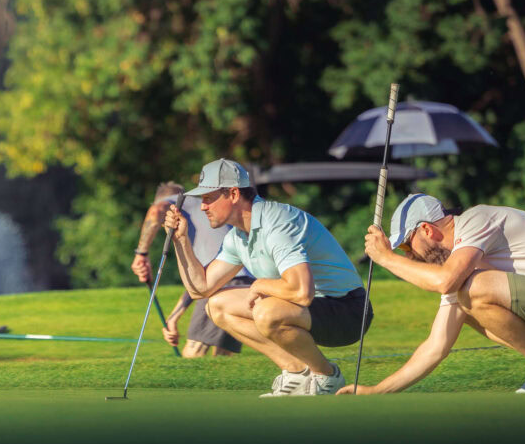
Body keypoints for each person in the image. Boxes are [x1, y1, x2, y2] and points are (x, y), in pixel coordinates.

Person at [341, 193, 525, 394]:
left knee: (468, 290)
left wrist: (387, 259)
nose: (410, 255)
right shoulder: (462, 268)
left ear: (427, 229)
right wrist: (377, 391)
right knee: (466, 299)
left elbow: (445, 281)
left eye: (406, 246)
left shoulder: (476, 220)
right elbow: (435, 347)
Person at [164, 158, 373, 397]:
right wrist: (181, 241)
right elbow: (199, 289)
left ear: (233, 194)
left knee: (266, 310)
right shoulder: (237, 237)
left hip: (349, 312)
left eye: (209, 198)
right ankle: (297, 372)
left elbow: (302, 292)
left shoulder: (277, 223)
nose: (203, 207)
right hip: (311, 312)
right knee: (217, 305)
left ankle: (327, 376)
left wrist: (260, 285)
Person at [131, 182, 253, 357]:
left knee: (194, 353)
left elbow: (156, 211)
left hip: (225, 279)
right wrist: (174, 318)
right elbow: (199, 285)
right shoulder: (202, 211)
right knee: (221, 359)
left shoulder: (175, 202)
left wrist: (141, 253)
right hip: (244, 281)